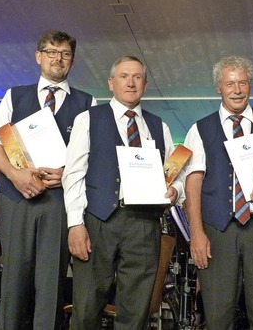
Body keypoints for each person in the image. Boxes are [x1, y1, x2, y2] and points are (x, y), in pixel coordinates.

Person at [0, 29, 95, 330]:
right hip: (15, 196)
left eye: (65, 53)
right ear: (38, 56)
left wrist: (67, 173)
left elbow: (92, 155)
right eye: (51, 52)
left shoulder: (88, 103)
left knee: (51, 282)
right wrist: (15, 175)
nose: (58, 58)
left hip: (58, 202)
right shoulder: (13, 96)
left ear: (72, 60)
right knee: (14, 279)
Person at [63, 55, 182, 329]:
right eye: (124, 76)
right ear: (111, 83)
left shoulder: (159, 126)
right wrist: (75, 224)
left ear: (145, 84)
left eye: (137, 77)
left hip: (144, 223)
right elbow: (74, 174)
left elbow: (174, 174)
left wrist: (175, 190)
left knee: (136, 309)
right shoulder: (88, 119)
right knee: (86, 305)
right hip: (98, 221)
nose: (131, 82)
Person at [182, 55, 253, 329]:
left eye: (243, 82)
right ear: (218, 88)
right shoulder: (199, 129)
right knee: (218, 315)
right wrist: (196, 234)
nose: (237, 89)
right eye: (230, 83)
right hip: (218, 231)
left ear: (250, 86)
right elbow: (192, 184)